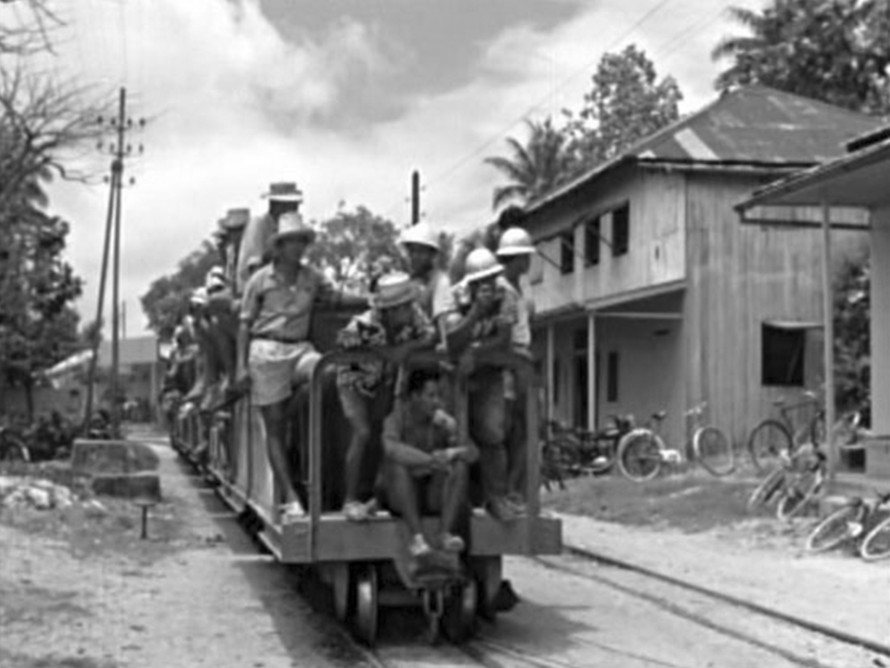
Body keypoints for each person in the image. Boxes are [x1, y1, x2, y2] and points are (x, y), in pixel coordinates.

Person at [238, 211, 367, 522]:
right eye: (290, 242)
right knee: (274, 426)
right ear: (279, 247)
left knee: (330, 373)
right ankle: (292, 497)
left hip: (299, 349)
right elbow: (245, 324)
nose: (297, 248)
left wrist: (371, 299)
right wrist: (240, 367)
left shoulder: (311, 278)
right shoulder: (260, 280)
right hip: (266, 350)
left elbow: (336, 297)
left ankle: (312, 429)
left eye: (301, 242)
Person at [336, 271, 436, 522]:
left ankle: (376, 496)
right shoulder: (364, 324)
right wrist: (391, 351)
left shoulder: (414, 314)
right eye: (401, 307)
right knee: (361, 433)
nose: (407, 311)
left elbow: (430, 335)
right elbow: (343, 341)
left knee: (384, 435)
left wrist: (407, 348)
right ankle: (349, 499)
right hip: (354, 381)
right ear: (389, 310)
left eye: (407, 305)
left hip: (383, 382)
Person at [445, 247, 521, 521]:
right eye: (481, 281)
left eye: (492, 278)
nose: (487, 285)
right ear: (472, 283)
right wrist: (475, 312)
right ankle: (451, 499)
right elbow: (452, 340)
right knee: (452, 436)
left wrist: (475, 353)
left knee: (492, 434)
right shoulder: (456, 297)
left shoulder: (507, 295)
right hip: (453, 377)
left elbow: (503, 339)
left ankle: (496, 497)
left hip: (488, 373)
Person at [381, 368, 478, 558]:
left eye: (438, 396)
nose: (436, 402)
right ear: (414, 396)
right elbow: (391, 448)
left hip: (433, 494)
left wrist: (456, 436)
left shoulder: (442, 422)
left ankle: (444, 534)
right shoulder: (396, 418)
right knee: (397, 467)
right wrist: (431, 460)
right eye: (430, 396)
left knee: (460, 466)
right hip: (401, 497)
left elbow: (473, 453)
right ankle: (417, 538)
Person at [495, 227, 536, 505]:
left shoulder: (521, 288)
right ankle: (506, 489)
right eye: (525, 256)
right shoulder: (503, 290)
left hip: (520, 361)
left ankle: (514, 487)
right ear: (517, 258)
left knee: (523, 428)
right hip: (508, 364)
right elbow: (504, 335)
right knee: (509, 428)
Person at [236, 182, 303, 294]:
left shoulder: (287, 229)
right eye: (292, 205)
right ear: (276, 205)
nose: (295, 210)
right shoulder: (258, 225)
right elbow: (254, 267)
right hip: (252, 292)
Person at [399, 223, 455, 345]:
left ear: (432, 254)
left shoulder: (440, 281)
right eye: (412, 251)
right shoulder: (409, 282)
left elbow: (441, 319)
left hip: (431, 354)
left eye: (420, 252)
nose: (414, 256)